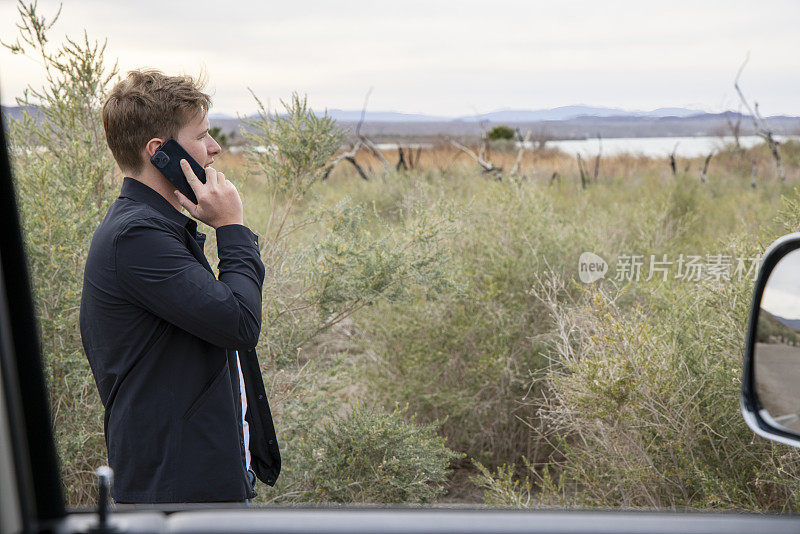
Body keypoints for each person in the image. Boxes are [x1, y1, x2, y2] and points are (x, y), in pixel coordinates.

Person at [79, 69, 280, 503]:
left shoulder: (156, 228)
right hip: (178, 495)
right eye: (202, 136)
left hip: (195, 483)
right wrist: (232, 227)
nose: (215, 148)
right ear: (159, 152)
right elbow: (240, 323)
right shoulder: (137, 237)